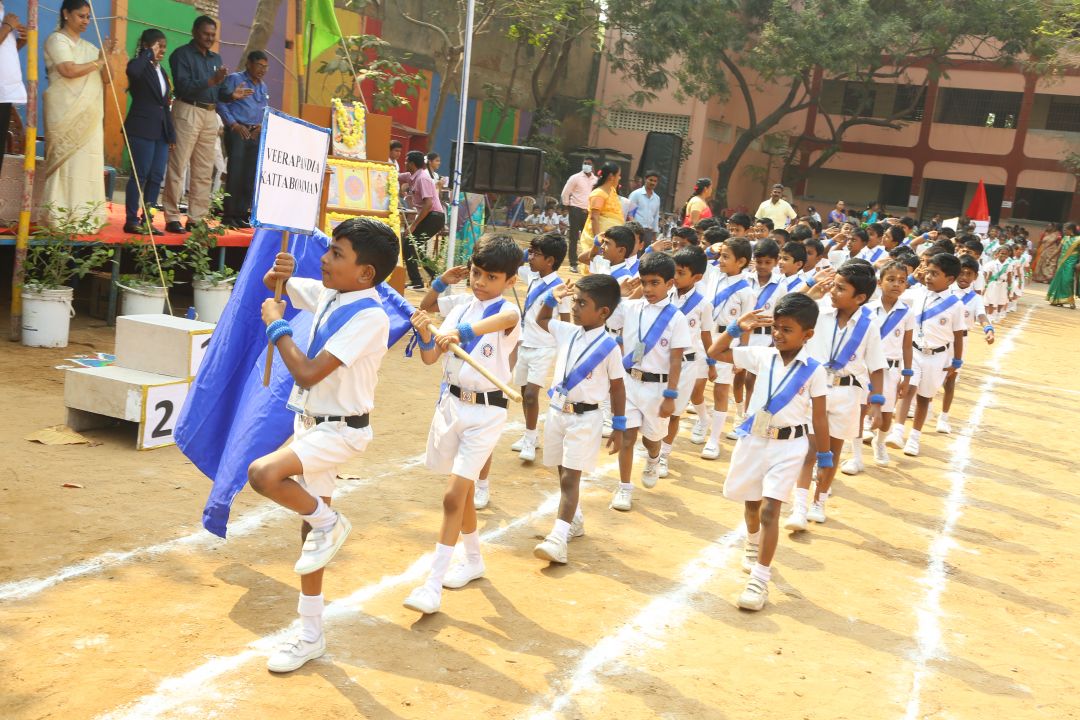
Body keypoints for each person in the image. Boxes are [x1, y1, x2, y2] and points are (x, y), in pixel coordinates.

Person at [247, 218, 399, 673]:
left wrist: (277, 328)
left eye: (336, 254)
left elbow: (308, 373)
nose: (325, 259)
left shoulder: (371, 317)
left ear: (365, 273)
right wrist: (280, 273)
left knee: (263, 474)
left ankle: (331, 521)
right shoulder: (333, 293)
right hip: (311, 424)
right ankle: (310, 634)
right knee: (310, 537)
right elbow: (276, 285)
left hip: (340, 431)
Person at [403, 235, 523, 615]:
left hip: (486, 414)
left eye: (491, 276)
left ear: (509, 281)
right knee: (464, 494)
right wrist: (428, 332)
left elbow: (507, 319)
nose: (481, 281)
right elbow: (427, 358)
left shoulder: (506, 314)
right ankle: (473, 560)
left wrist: (465, 333)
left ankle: (432, 585)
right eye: (476, 273)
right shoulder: (457, 308)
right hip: (451, 406)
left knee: (453, 496)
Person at [707, 294, 831, 611]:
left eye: (787, 329)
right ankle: (752, 545)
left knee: (770, 510)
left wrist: (825, 458)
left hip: (790, 446)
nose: (778, 334)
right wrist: (737, 326)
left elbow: (819, 417)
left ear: (808, 335)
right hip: (754, 440)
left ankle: (759, 581)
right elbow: (715, 352)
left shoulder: (815, 371)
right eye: (776, 327)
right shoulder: (762, 357)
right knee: (751, 505)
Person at [532, 275, 627, 564]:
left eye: (582, 303)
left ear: (603, 313)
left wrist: (619, 426)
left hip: (585, 419)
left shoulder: (609, 346)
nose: (574, 307)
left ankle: (558, 539)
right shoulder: (568, 331)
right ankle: (575, 520)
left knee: (571, 477)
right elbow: (542, 320)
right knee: (563, 473)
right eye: (575, 301)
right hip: (559, 413)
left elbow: (618, 386)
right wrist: (552, 297)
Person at [786, 261, 885, 528]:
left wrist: (876, 403)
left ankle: (819, 501)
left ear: (860, 297)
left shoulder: (869, 326)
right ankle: (799, 507)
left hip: (847, 394)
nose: (833, 290)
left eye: (841, 288)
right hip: (815, 390)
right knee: (808, 450)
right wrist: (810, 292)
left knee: (831, 451)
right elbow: (787, 308)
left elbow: (876, 368)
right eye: (834, 285)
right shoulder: (818, 312)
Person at [605, 252, 691, 512]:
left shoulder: (676, 318)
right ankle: (624, 488)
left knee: (651, 439)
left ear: (669, 284)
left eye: (655, 283)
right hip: (630, 382)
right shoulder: (630, 307)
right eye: (644, 282)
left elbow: (676, 360)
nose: (648, 288)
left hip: (657, 388)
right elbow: (607, 319)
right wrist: (620, 294)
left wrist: (671, 395)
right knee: (627, 437)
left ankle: (654, 457)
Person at [163, 16, 250, 233]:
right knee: (179, 165)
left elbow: (218, 92)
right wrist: (211, 80)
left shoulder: (215, 58)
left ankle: (196, 218)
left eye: (213, 35)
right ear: (194, 32)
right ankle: (172, 216)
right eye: (206, 34)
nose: (210, 38)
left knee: (204, 169)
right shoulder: (181, 55)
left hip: (210, 114)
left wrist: (232, 95)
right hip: (187, 110)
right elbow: (183, 87)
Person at [42, 0, 118, 230]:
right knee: (66, 165)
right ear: (66, 14)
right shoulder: (57, 40)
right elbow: (68, 70)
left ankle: (85, 218)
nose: (85, 21)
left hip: (89, 117)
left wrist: (106, 57)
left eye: (88, 17)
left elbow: (108, 79)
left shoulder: (89, 47)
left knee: (87, 164)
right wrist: (98, 61)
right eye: (81, 16)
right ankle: (59, 218)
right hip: (64, 114)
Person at [886, 253, 966, 457]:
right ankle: (897, 431)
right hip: (914, 351)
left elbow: (958, 335)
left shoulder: (955, 305)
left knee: (924, 397)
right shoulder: (919, 294)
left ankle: (914, 437)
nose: (928, 277)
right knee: (908, 388)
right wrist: (912, 279)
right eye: (928, 272)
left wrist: (956, 361)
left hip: (938, 356)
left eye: (934, 274)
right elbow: (895, 295)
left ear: (949, 279)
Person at [510, 232, 571, 462]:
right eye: (531, 253)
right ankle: (531, 435)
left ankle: (530, 438)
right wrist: (531, 251)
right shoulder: (532, 276)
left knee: (532, 395)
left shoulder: (560, 288)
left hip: (544, 348)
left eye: (537, 254)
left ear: (550, 260)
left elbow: (566, 323)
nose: (531, 257)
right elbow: (516, 261)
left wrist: (566, 350)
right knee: (525, 392)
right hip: (526, 343)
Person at [658, 245, 713, 476]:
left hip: (688, 363)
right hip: (661, 359)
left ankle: (663, 455)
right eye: (674, 271)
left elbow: (706, 336)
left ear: (697, 277)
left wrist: (712, 364)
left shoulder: (703, 304)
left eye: (681, 273)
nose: (675, 276)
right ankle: (654, 444)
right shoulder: (664, 295)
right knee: (657, 406)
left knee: (675, 411)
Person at [700, 233, 754, 460]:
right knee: (695, 387)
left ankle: (713, 440)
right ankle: (704, 420)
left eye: (726, 257)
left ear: (741, 262)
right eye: (721, 256)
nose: (720, 260)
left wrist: (741, 356)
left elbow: (747, 325)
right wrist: (714, 248)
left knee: (721, 390)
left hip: (726, 340)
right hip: (703, 336)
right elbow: (703, 256)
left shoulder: (746, 290)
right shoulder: (713, 274)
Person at [120, 29, 173, 235]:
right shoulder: (139, 65)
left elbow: (165, 103)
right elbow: (133, 72)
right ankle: (131, 220)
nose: (163, 50)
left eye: (164, 47)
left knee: (156, 177)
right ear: (147, 46)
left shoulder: (162, 71)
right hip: (141, 128)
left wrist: (171, 134)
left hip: (160, 131)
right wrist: (147, 54)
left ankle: (148, 219)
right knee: (139, 175)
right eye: (159, 46)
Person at [936, 255, 996, 435]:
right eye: (961, 273)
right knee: (930, 374)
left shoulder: (975, 298)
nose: (964, 277)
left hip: (960, 341)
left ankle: (944, 417)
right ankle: (919, 405)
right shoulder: (945, 292)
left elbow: (981, 315)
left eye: (968, 274)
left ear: (975, 277)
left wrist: (988, 328)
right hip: (940, 337)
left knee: (950, 379)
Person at [864, 260, 915, 467]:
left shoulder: (907, 313)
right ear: (879, 282)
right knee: (862, 410)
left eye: (902, 281)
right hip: (867, 369)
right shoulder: (867, 310)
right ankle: (857, 452)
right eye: (891, 279)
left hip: (892, 370)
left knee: (886, 415)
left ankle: (880, 442)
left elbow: (907, 346)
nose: (896, 284)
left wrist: (907, 376)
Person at [217, 50, 269, 228]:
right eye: (259, 65)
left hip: (255, 133)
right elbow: (221, 102)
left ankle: (241, 214)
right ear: (249, 64)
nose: (262, 70)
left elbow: (264, 109)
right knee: (236, 172)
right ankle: (228, 215)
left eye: (265, 67)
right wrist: (233, 124)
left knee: (249, 175)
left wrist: (261, 126)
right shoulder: (234, 79)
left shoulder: (263, 86)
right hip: (238, 130)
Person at [399, 149, 446, 289]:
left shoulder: (423, 178)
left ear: (412, 164)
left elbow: (428, 204)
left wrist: (413, 225)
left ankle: (417, 282)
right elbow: (394, 175)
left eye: (406, 161)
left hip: (434, 216)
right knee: (411, 244)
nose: (405, 163)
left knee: (409, 244)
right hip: (429, 216)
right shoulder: (411, 176)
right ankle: (433, 273)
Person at [0, 1, 27, 178]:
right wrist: (7, 27)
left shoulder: (3, 11)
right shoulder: (6, 20)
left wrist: (21, 41)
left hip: (4, 95)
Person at [579, 161, 625, 251]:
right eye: (618, 175)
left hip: (611, 238)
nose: (620, 178)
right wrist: (598, 239)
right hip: (601, 239)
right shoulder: (599, 193)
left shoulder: (612, 190)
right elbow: (594, 217)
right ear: (611, 176)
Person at [561, 157, 595, 273]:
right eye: (584, 163)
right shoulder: (575, 178)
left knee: (589, 238)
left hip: (589, 212)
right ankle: (573, 263)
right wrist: (568, 206)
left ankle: (588, 263)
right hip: (575, 210)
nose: (586, 165)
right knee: (574, 238)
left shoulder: (596, 180)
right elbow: (565, 193)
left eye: (589, 163)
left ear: (593, 166)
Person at [1047, 223, 1079, 308]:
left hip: (1071, 262)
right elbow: (1058, 249)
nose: (1064, 231)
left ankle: (1071, 301)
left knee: (1068, 280)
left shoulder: (1078, 239)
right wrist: (1050, 258)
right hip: (1061, 262)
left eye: (1065, 230)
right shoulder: (1065, 238)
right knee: (1059, 280)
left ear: (1071, 230)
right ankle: (1057, 300)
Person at [627, 170, 662, 245]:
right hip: (636, 231)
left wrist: (654, 236)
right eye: (650, 180)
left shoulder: (657, 198)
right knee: (634, 254)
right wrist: (634, 229)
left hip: (648, 232)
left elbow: (656, 217)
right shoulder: (636, 194)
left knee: (645, 255)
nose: (652, 183)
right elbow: (630, 213)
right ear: (645, 179)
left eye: (655, 181)